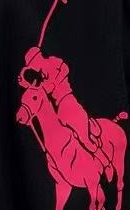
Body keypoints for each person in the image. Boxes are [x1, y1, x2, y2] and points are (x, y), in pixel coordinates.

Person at [19, 44, 113, 179]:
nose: (32, 67)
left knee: (85, 140)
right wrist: (25, 82)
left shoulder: (53, 62)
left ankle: (105, 162)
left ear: (37, 58)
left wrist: (53, 81)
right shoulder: (41, 77)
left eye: (32, 64)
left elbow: (65, 69)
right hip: (59, 110)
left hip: (69, 103)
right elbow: (37, 92)